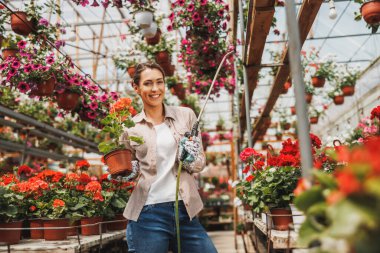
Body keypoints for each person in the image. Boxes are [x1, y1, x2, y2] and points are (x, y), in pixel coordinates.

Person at [120, 62, 218, 253]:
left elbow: (200, 164)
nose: (155, 89)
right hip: (148, 214)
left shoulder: (186, 116)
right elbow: (130, 169)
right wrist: (125, 173)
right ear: (136, 87)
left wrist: (190, 157)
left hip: (185, 211)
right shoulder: (129, 127)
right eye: (148, 83)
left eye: (159, 82)